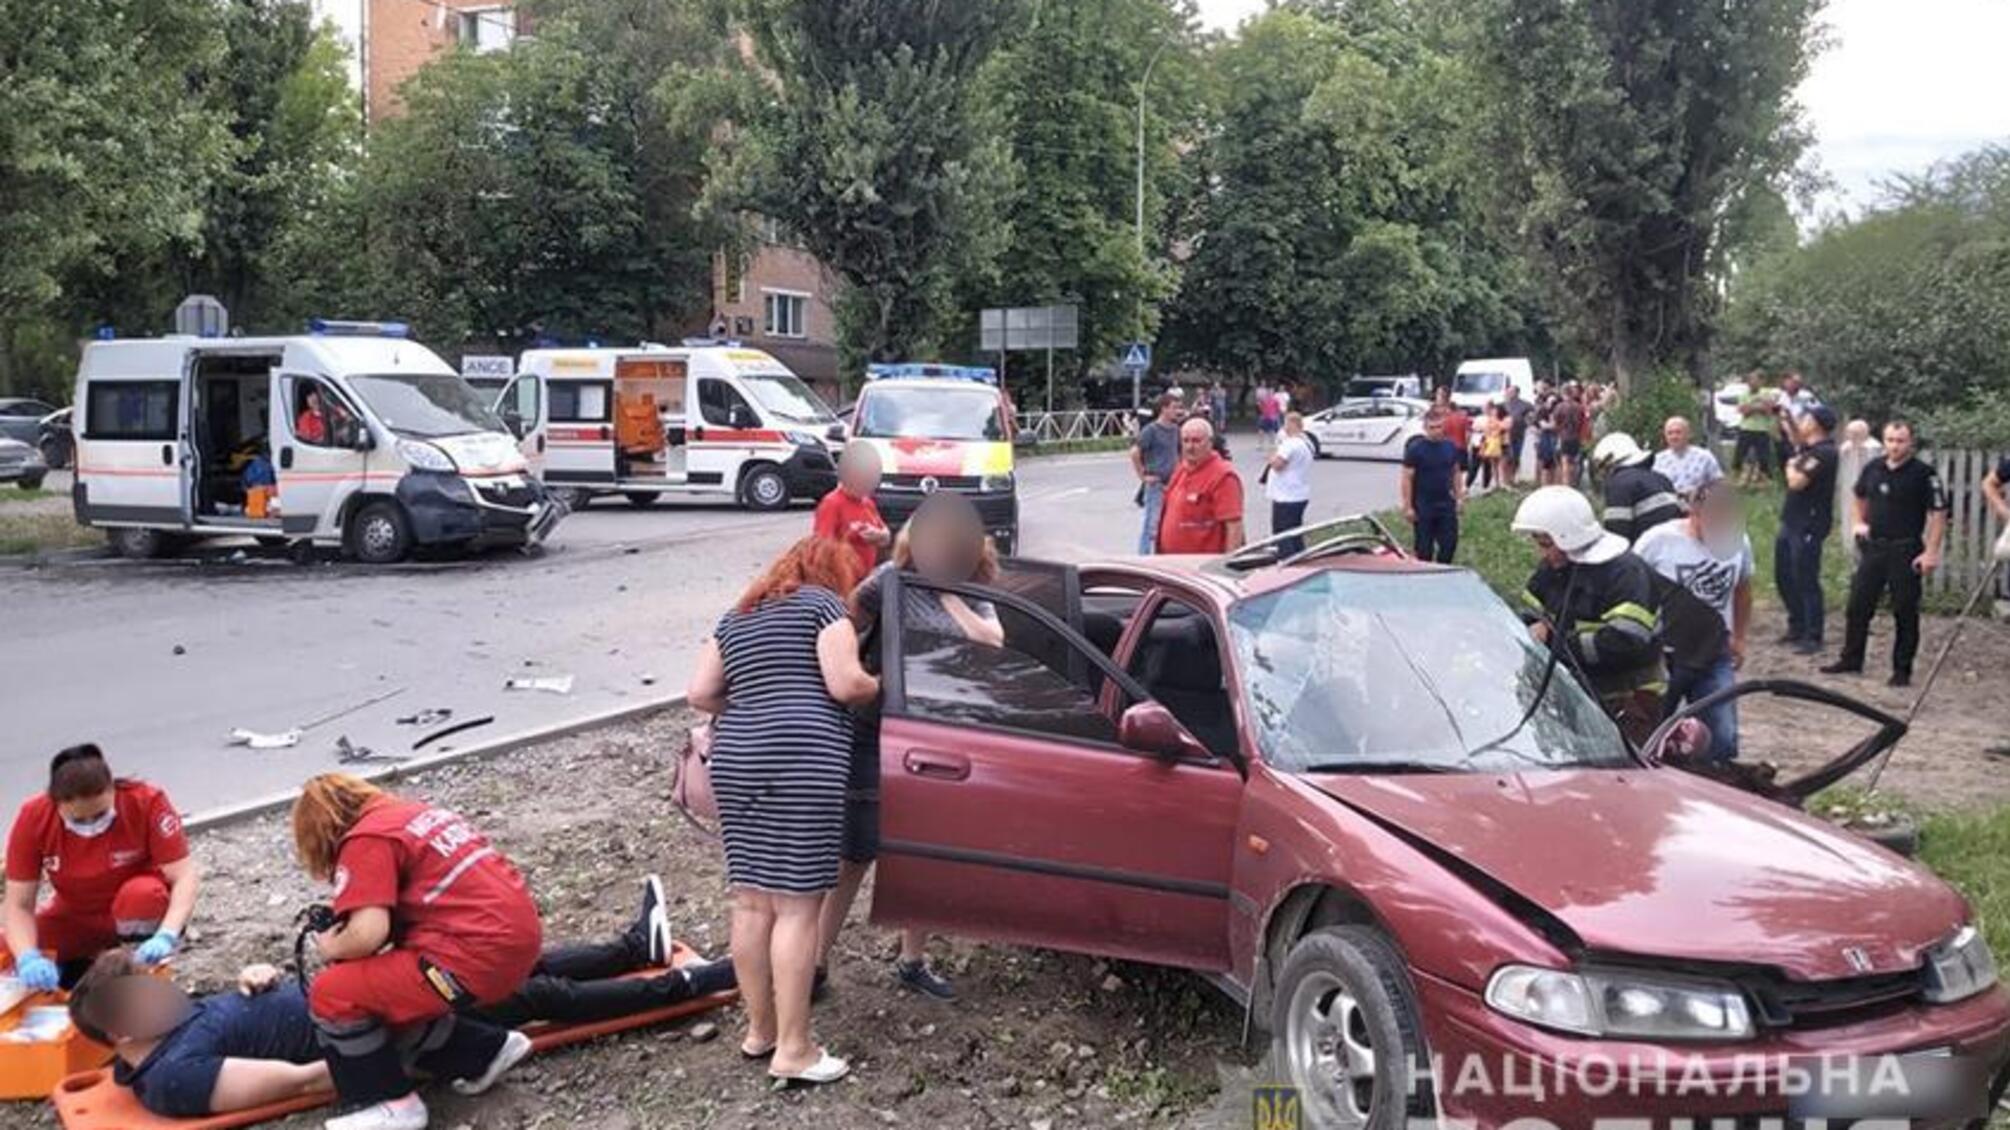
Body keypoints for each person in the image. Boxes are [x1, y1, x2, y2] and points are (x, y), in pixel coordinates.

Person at [64, 881, 735, 1119]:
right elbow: (301, 1080)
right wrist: (409, 1050)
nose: (164, 995)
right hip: (386, 1020)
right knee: (537, 994)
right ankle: (694, 981)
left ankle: (632, 947)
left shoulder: (179, 1021)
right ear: (123, 1034)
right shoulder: (175, 1075)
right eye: (144, 999)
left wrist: (257, 973)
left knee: (506, 963)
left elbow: (251, 1004)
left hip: (365, 991)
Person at [686, 537, 877, 1087]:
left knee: (751, 902)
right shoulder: (823, 606)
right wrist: (877, 684)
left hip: (737, 755)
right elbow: (844, 684)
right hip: (804, 754)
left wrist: (755, 704)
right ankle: (795, 1049)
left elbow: (700, 692)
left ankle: (760, 1032)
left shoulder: (737, 615)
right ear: (833, 575)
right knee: (797, 907)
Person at [820, 493, 1002, 1003]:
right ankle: (813, 963)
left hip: (932, 739)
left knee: (920, 856)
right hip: (872, 732)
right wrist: (859, 675)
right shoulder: (887, 582)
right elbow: (844, 627)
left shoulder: (975, 590)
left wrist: (948, 595)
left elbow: (992, 642)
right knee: (852, 857)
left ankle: (912, 961)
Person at [291, 774, 541, 1130]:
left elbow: (367, 934)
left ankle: (390, 1103)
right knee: (391, 994)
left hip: (469, 957)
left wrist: (331, 944)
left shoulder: (367, 838)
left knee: (333, 992)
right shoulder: (415, 816)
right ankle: (484, 1051)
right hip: (516, 942)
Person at [4, 745, 199, 992]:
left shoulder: (147, 802)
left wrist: (167, 934)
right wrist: (27, 957)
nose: (91, 826)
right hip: (76, 915)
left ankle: (142, 977)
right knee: (10, 947)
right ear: (56, 804)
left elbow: (184, 876)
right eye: (78, 820)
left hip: (136, 913)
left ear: (113, 791)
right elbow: (18, 904)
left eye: (99, 815)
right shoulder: (34, 818)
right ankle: (75, 971)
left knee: (142, 894)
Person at [1512, 487, 1670, 744]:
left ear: (1568, 537)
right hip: (1578, 697)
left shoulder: (1626, 574)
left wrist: (1553, 642)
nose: (1542, 554)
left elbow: (1624, 642)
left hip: (1631, 702)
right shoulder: (1554, 570)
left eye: (1546, 544)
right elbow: (1530, 615)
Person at [1822, 421, 1949, 687]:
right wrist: (1859, 521)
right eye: (1890, 440)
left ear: (1910, 442)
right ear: (1884, 440)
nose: (1894, 446)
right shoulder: (1873, 468)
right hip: (1874, 547)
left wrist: (1931, 552)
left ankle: (1902, 670)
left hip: (1906, 549)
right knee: (1858, 606)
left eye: (1900, 440)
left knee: (1904, 610)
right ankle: (1851, 659)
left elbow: (1939, 514)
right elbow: (1859, 495)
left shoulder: (1924, 474)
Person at [1636, 482, 1752, 761]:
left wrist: (1739, 637)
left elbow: (1743, 589)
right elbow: (1632, 583)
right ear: (1694, 514)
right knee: (1654, 736)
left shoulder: (1739, 543)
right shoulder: (1657, 541)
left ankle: (1714, 786)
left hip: (1713, 651)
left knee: (1723, 737)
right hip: (1665, 656)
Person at [1776, 406, 1840, 654]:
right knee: (1784, 575)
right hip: (1791, 520)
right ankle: (1797, 624)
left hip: (1809, 523)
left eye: (1806, 418)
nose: (1802, 422)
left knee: (1805, 578)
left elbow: (1796, 482)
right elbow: (1795, 438)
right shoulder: (1808, 449)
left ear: (1816, 424)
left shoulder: (1823, 454)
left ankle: (1813, 635)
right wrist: (1786, 418)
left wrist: (1790, 465)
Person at [1156, 418, 1245, 554]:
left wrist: (1228, 565)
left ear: (1210, 443)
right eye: (1186, 441)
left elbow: (1234, 526)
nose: (1190, 447)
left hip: (1201, 566)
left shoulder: (1223, 476)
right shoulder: (1181, 470)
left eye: (1196, 441)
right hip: (1173, 564)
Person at [812, 442, 891, 577]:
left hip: (864, 577)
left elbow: (885, 535)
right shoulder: (832, 504)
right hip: (841, 580)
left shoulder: (867, 503)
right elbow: (820, 549)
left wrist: (879, 535)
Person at [1590, 433, 1683, 543]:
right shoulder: (1662, 479)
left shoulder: (1619, 484)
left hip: (1646, 553)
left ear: (1611, 462)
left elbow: (1616, 533)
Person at [1401, 408, 1466, 563]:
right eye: (1432, 428)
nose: (1436, 431)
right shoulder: (1415, 448)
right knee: (1424, 548)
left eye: (1439, 427)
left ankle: (1443, 571)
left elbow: (1456, 473)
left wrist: (1459, 498)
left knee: (1449, 543)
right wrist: (1408, 506)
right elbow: (1407, 478)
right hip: (1423, 505)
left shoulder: (1450, 447)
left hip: (1445, 503)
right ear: (1425, 428)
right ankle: (1425, 576)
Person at [1129, 394, 1184, 554]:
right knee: (1151, 525)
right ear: (1164, 409)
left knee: (1169, 523)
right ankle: (1144, 557)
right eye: (1174, 407)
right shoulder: (1151, 430)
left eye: (1179, 407)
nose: (1177, 411)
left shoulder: (1176, 430)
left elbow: (1180, 454)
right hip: (1156, 484)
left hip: (1173, 484)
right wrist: (1143, 476)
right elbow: (1134, 452)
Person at [1836, 420, 1884, 567]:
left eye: (1853, 433)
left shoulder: (1874, 447)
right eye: (1849, 433)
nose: (1850, 436)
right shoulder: (1847, 446)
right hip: (1851, 486)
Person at [1265, 412, 1315, 555]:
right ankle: (1301, 559)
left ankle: (1287, 561)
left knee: (1283, 535)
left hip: (1286, 496)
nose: (1284, 427)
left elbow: (1277, 464)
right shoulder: (1307, 443)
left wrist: (1271, 456)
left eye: (1286, 423)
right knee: (1295, 533)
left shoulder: (1290, 444)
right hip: (1299, 493)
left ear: (1292, 424)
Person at [1652, 416, 1723, 500]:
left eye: (1678, 432)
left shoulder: (1704, 457)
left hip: (1698, 506)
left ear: (1689, 434)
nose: (1674, 437)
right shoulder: (1658, 460)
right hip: (1668, 506)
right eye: (1670, 433)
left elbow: (1719, 485)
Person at [1734, 377, 1777, 486]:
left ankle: (1763, 480)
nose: (1753, 384)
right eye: (1750, 382)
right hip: (1746, 428)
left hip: (1762, 429)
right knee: (1740, 454)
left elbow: (1769, 410)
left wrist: (1752, 406)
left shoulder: (1766, 393)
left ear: (1760, 382)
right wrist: (1758, 406)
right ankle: (1740, 478)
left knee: (1763, 457)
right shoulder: (1743, 394)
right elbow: (1743, 411)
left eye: (1755, 381)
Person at [1554, 387, 1587, 488]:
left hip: (1564, 436)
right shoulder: (1579, 407)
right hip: (1576, 436)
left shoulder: (1559, 407)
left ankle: (1566, 483)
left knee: (1565, 461)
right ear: (1572, 394)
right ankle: (1573, 482)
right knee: (1573, 461)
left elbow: (1556, 421)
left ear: (1564, 394)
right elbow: (1583, 422)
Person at [1503, 384, 1533, 483]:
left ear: (1517, 393)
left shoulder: (1525, 404)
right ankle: (1506, 479)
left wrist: (1528, 422)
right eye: (1508, 391)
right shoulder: (1503, 405)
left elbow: (1533, 414)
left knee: (1516, 455)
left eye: (1511, 391)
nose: (1509, 393)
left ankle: (1514, 476)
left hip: (1519, 433)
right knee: (1507, 456)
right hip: (1506, 434)